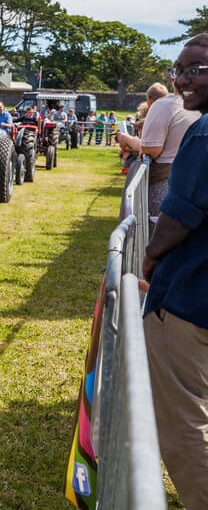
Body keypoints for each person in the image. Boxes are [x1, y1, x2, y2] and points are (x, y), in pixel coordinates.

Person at [141, 33, 208, 509]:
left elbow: (181, 213)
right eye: (178, 70)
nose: (182, 79)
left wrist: (149, 257)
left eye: (195, 68)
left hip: (189, 299)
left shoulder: (203, 135)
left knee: (185, 424)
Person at [119, 82, 199, 217]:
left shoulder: (164, 106)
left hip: (166, 183)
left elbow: (151, 150)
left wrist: (128, 140)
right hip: (192, 183)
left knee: (156, 231)